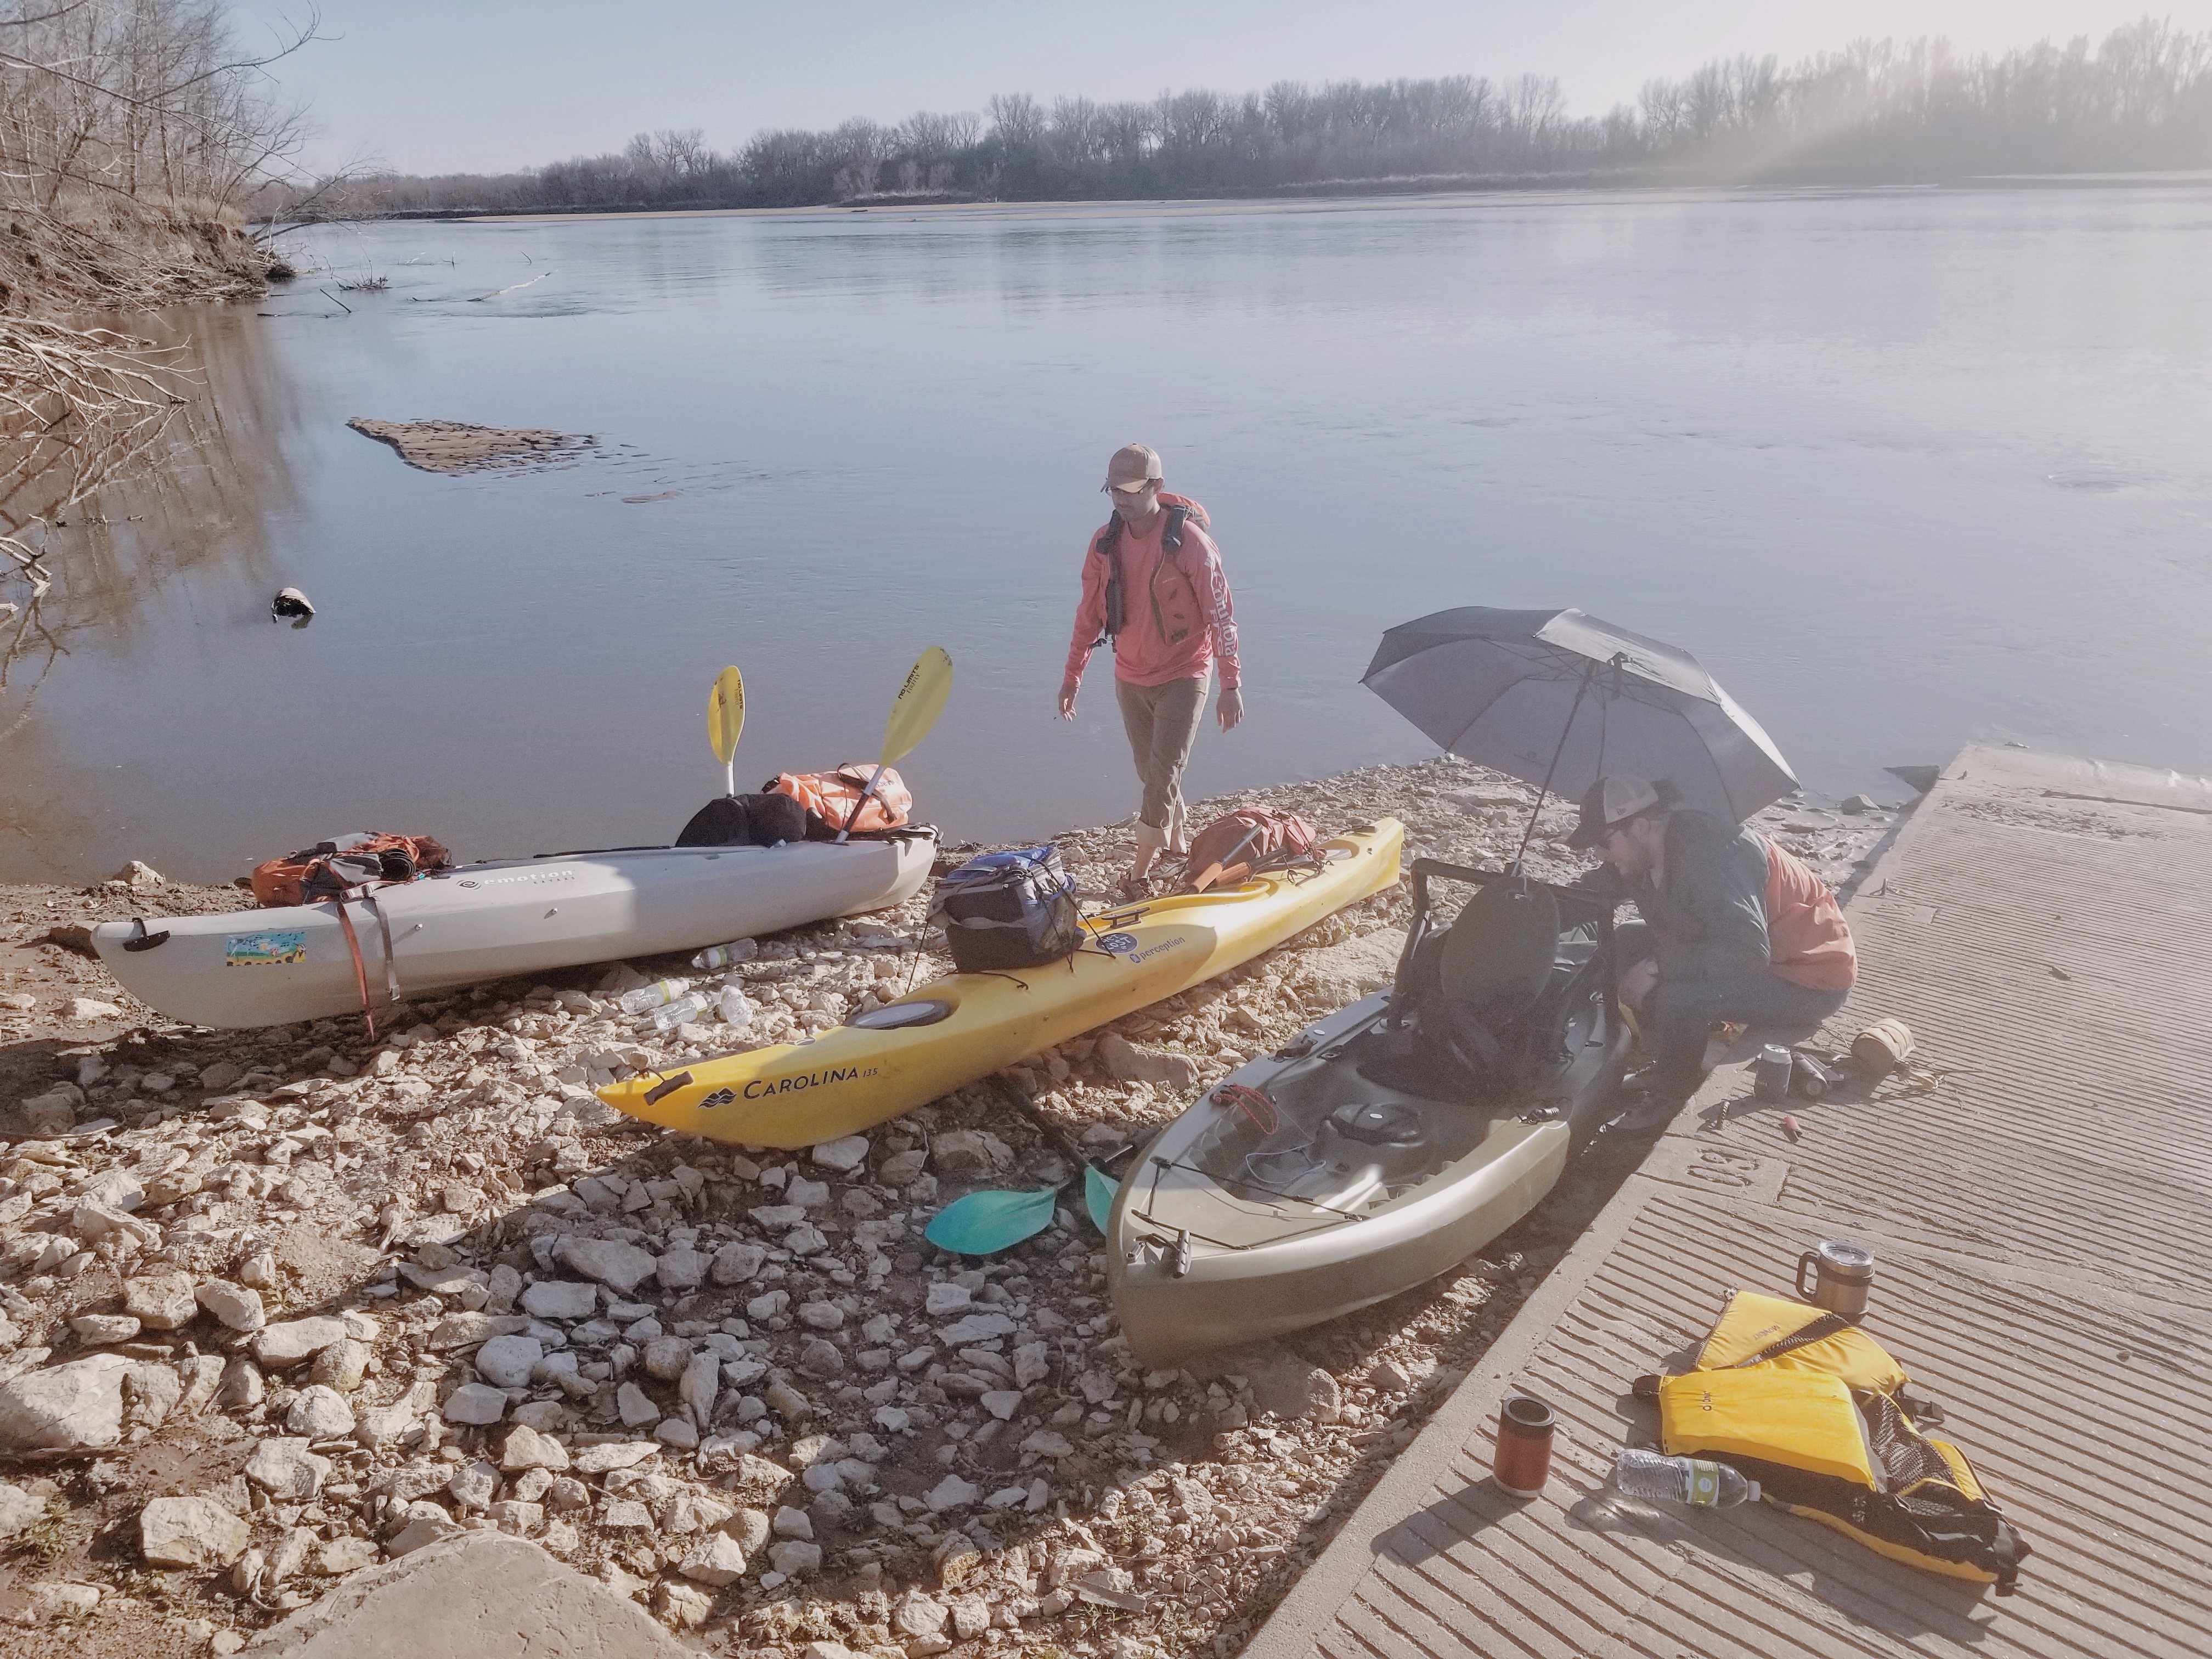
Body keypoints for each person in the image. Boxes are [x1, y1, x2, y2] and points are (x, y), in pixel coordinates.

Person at [1570, 774, 1856, 1111]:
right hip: (1743, 951)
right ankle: (1655, 1051)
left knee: (1680, 998)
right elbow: (1591, 894)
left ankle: (1669, 1097)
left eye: (1604, 842)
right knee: (1628, 938)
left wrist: (1656, 967)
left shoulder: (1713, 858)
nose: (1599, 854)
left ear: (1642, 827)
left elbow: (1748, 951)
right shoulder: (1644, 853)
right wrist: (1526, 901)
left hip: (1806, 980)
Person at [1059, 442, 1243, 886]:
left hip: (1185, 672)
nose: (1120, 499)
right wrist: (1072, 676)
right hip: (1131, 674)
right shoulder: (1104, 544)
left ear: (1156, 486)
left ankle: (1139, 872)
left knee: (1161, 776)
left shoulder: (1190, 544)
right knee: (1151, 772)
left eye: (1129, 489)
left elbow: (1221, 614)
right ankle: (1177, 842)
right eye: (1113, 490)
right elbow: (1088, 613)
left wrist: (1231, 684)